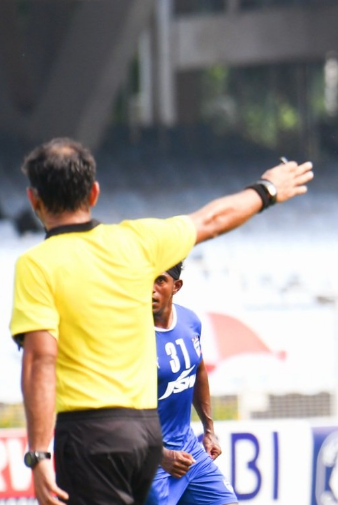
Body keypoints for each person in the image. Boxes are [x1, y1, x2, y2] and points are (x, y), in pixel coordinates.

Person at [10, 138, 312, 505]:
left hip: (90, 434)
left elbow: (40, 360)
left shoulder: (37, 266)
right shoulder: (136, 241)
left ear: (33, 200)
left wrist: (39, 454)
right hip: (143, 437)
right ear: (93, 193)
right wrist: (267, 190)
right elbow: (212, 219)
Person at [147, 262, 237, 505]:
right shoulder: (130, 337)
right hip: (150, 460)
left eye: (160, 281)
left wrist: (209, 430)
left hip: (189, 450)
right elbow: (119, 410)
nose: (150, 289)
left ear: (176, 286)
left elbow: (198, 370)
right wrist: (160, 455)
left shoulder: (189, 321)